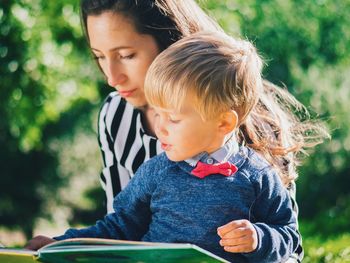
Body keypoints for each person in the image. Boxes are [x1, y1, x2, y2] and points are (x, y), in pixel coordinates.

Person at [26, 31, 308, 262]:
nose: (159, 127)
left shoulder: (258, 176)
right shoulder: (156, 171)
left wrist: (258, 238)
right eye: (157, 114)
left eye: (172, 118)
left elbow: (288, 234)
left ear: (223, 123)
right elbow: (119, 226)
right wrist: (60, 243)